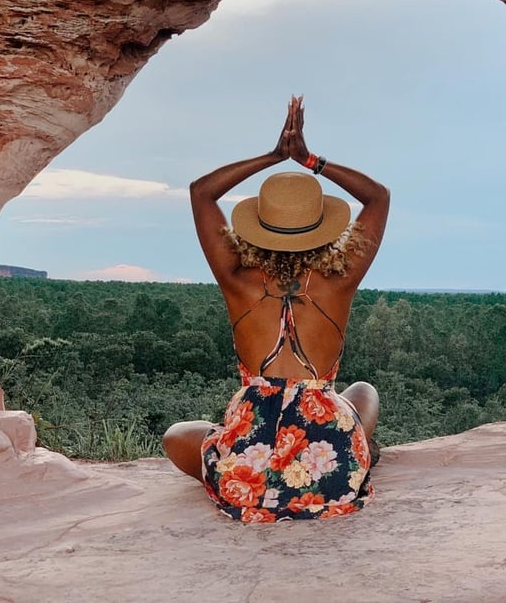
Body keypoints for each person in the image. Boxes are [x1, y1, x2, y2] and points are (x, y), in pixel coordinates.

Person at [163, 95, 390, 522]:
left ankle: (253, 473)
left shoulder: (237, 279)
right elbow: (377, 197)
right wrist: (309, 160)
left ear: (257, 228)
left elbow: (201, 192)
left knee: (178, 435)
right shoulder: (337, 282)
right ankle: (355, 450)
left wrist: (273, 156)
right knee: (362, 393)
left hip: (248, 470)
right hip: (330, 468)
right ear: (322, 228)